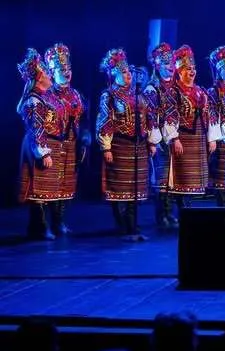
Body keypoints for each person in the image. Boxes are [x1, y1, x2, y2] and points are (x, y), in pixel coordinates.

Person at [95, 48, 156, 241]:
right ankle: (121, 224)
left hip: (139, 145)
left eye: (129, 72)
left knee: (135, 186)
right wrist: (106, 147)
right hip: (120, 145)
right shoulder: (109, 95)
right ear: (114, 75)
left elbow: (149, 118)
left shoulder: (139, 95)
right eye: (124, 72)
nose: (128, 75)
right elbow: (105, 121)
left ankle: (132, 225)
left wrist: (151, 141)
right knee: (119, 186)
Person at [42, 43, 90, 235]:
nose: (67, 72)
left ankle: (59, 221)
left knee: (66, 186)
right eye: (62, 69)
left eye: (69, 68)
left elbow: (84, 119)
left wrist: (85, 136)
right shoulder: (46, 95)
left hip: (71, 146)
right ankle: (43, 224)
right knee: (49, 186)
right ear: (53, 72)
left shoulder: (76, 95)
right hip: (52, 145)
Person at [17, 49, 64, 239]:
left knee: (48, 188)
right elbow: (36, 128)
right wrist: (43, 152)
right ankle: (40, 226)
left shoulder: (46, 97)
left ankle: (40, 227)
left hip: (49, 144)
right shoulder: (33, 100)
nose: (50, 74)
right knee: (39, 188)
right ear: (38, 78)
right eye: (45, 72)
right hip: (38, 147)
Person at [165, 45, 214, 207]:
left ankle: (188, 210)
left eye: (193, 68)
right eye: (187, 69)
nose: (192, 71)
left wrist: (211, 138)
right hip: (183, 138)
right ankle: (182, 211)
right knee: (183, 177)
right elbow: (170, 116)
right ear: (179, 71)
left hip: (198, 138)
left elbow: (209, 115)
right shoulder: (173, 92)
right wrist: (175, 138)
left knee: (194, 180)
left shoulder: (201, 91)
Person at [144, 43, 180, 227]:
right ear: (157, 66)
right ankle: (161, 215)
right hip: (159, 140)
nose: (171, 67)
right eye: (167, 64)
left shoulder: (174, 88)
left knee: (171, 178)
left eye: (172, 64)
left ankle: (169, 212)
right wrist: (154, 140)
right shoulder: (152, 89)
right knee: (161, 177)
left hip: (172, 138)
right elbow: (151, 117)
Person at [206, 46, 225, 206]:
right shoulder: (214, 91)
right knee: (222, 173)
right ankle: (224, 206)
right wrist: (214, 139)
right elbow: (213, 116)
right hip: (222, 139)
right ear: (219, 71)